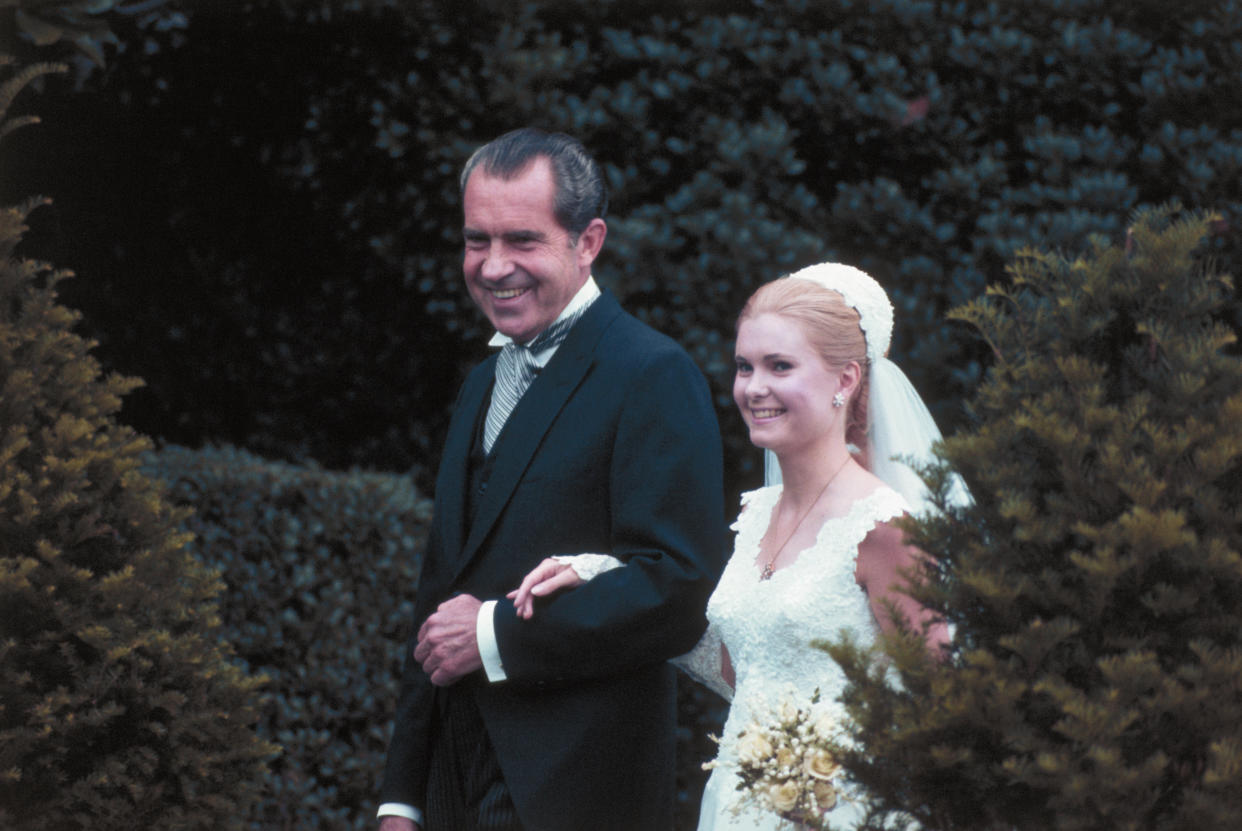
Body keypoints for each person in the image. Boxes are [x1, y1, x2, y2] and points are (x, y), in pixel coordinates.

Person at [512, 263, 967, 829]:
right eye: (745, 366)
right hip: (738, 804)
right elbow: (745, 672)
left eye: (780, 366)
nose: (754, 388)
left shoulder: (883, 527)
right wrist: (610, 577)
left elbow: (946, 711)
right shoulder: (757, 515)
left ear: (846, 380)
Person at [376, 127, 727, 831]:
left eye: (522, 240)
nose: (494, 265)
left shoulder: (651, 374)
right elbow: (441, 589)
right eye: (478, 240)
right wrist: (402, 796)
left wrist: (498, 632)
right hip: (453, 782)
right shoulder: (481, 383)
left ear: (588, 241)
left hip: (575, 790)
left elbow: (677, 586)